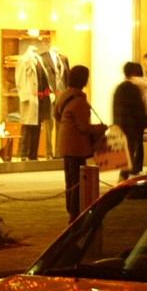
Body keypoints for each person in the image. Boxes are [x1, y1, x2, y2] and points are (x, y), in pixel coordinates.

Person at [54, 65, 95, 222]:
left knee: (69, 179)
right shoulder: (79, 100)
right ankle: (75, 211)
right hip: (77, 146)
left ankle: (71, 209)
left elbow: (56, 115)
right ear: (84, 80)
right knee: (77, 180)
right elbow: (84, 127)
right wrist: (101, 128)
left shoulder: (64, 95)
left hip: (65, 144)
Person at [113, 62, 147, 179]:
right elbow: (139, 109)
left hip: (121, 126)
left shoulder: (119, 88)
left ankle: (123, 176)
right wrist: (143, 123)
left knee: (124, 153)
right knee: (130, 152)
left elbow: (115, 109)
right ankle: (123, 177)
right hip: (131, 127)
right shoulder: (133, 89)